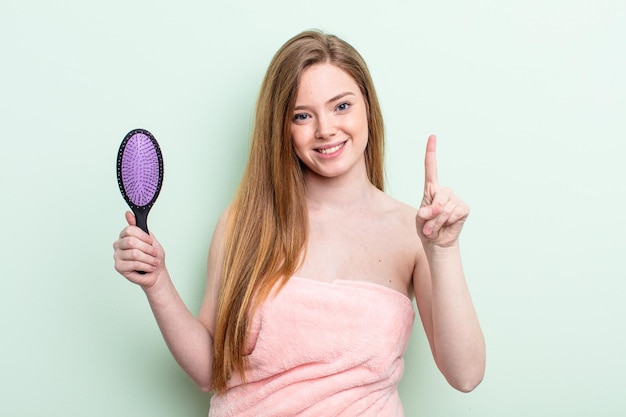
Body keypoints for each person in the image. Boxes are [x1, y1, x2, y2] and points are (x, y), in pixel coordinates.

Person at [113, 30, 485, 416]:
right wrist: (156, 282)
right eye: (302, 116)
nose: (325, 129)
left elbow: (467, 375)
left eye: (341, 106)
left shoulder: (414, 231)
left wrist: (444, 251)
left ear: (367, 108)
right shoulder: (244, 222)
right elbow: (209, 371)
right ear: (282, 129)